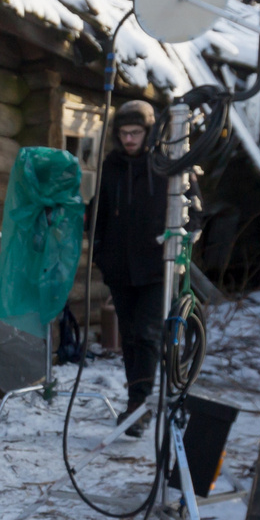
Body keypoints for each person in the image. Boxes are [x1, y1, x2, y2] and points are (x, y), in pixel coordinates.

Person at [90, 98, 169, 414]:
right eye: (124, 133)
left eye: (136, 132)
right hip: (120, 268)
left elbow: (193, 209)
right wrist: (99, 251)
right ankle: (138, 398)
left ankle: (139, 403)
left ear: (149, 132)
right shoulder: (112, 166)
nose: (129, 139)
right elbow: (100, 212)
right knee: (130, 335)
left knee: (147, 334)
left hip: (155, 267)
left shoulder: (168, 165)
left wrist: (181, 241)